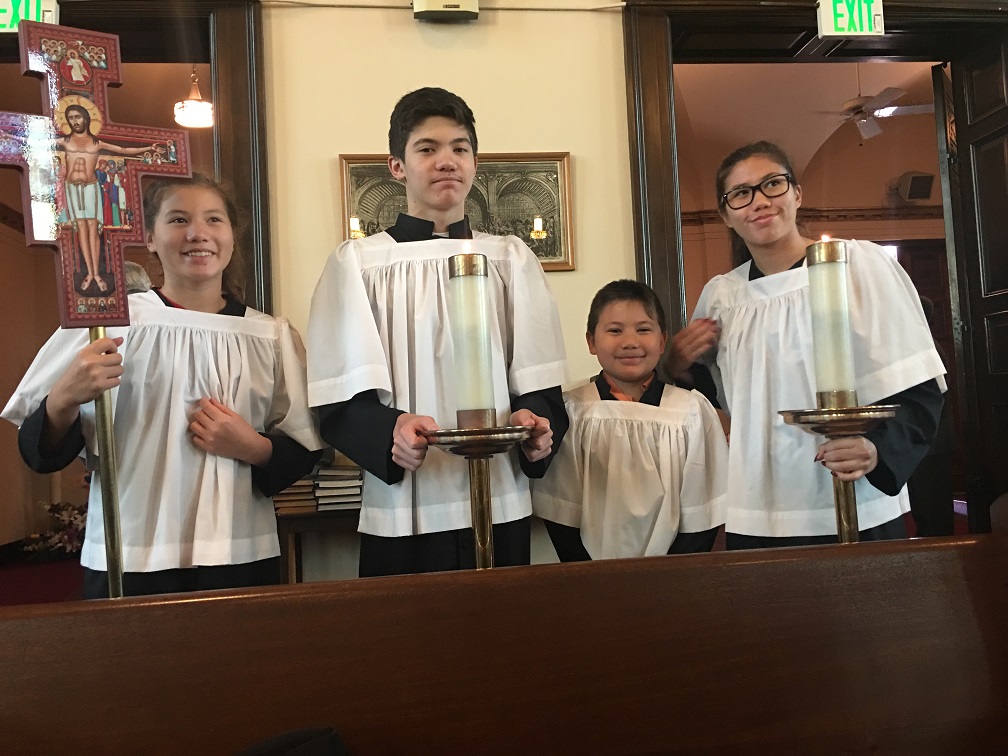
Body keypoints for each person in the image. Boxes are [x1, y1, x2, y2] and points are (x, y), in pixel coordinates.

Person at [2, 174, 324, 598]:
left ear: (232, 236)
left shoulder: (270, 336)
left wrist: (253, 447)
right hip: (131, 551)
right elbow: (37, 451)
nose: (197, 233)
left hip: (237, 549)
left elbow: (304, 449)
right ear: (149, 238)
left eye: (214, 219)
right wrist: (62, 399)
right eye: (178, 219)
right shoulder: (110, 321)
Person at [307, 87, 569, 577]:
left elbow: (541, 384)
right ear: (397, 166)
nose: (446, 160)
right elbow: (340, 399)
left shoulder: (511, 258)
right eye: (427, 148)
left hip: (499, 495)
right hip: (406, 502)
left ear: (474, 163)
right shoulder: (358, 264)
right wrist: (390, 430)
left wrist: (536, 424)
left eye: (459, 148)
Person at [668, 141, 947, 549]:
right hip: (758, 504)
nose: (760, 201)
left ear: (797, 194)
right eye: (741, 193)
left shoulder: (860, 266)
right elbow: (722, 397)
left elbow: (919, 386)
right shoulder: (722, 296)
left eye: (772, 184)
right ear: (726, 215)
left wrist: (876, 450)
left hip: (851, 491)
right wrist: (678, 364)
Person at [533, 280, 728, 561]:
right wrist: (589, 574)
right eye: (615, 330)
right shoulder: (572, 411)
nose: (630, 342)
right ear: (591, 341)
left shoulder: (692, 411)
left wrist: (673, 573)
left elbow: (702, 510)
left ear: (662, 341)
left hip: (674, 573)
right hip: (590, 576)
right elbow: (561, 509)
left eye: (643, 329)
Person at [906, 296, 955, 536]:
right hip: (927, 442)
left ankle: (939, 555)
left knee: (934, 513)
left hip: (932, 443)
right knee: (925, 508)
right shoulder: (925, 346)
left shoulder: (926, 350)